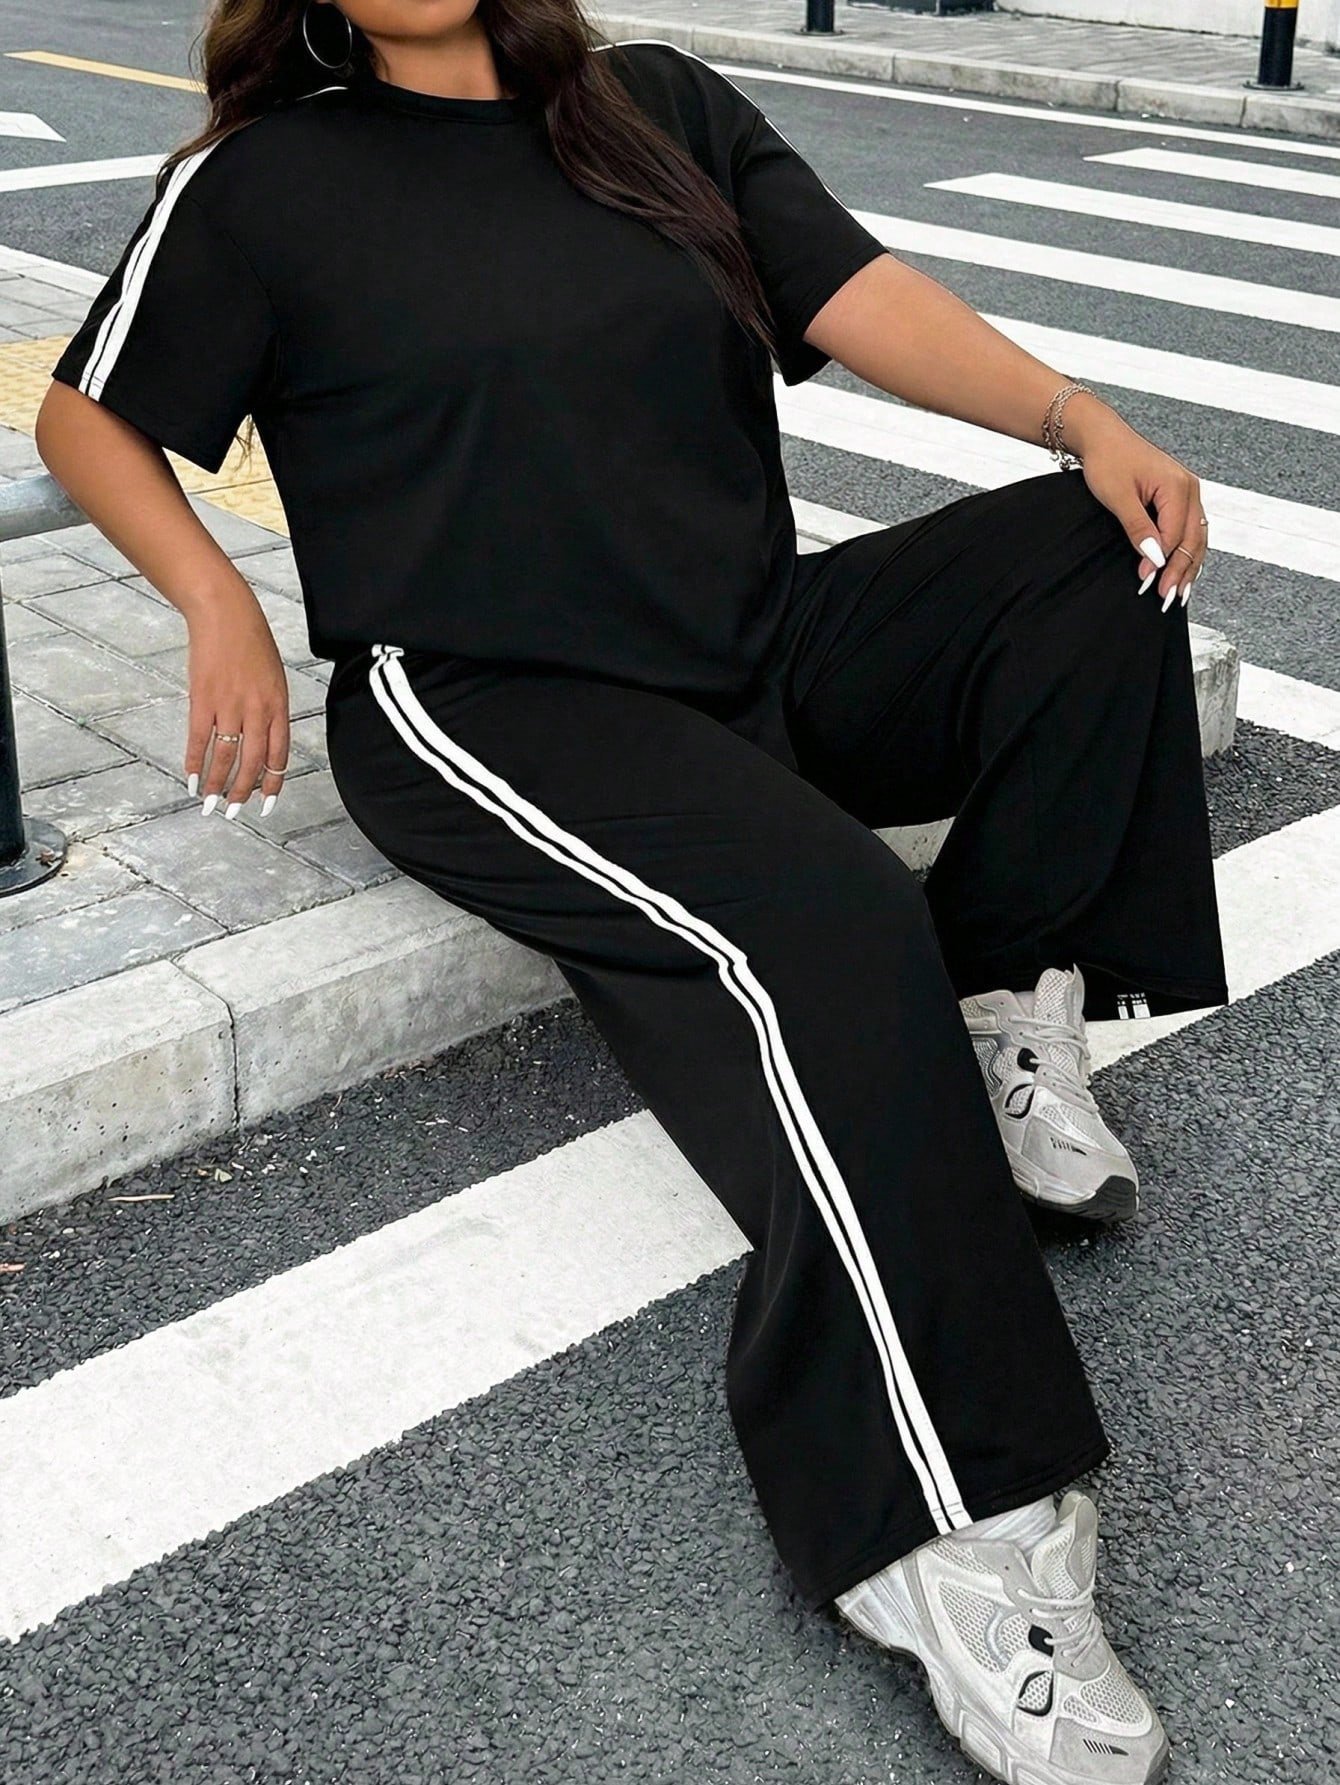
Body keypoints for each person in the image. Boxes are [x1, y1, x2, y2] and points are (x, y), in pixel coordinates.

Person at [35, 3, 1228, 1780]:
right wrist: (220, 602)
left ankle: (998, 1005)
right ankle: (947, 1519)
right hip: (485, 695)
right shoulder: (269, 180)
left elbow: (859, 295)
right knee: (832, 923)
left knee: (1095, 552)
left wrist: (1078, 420)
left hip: (744, 645)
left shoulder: (647, 103)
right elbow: (86, 415)